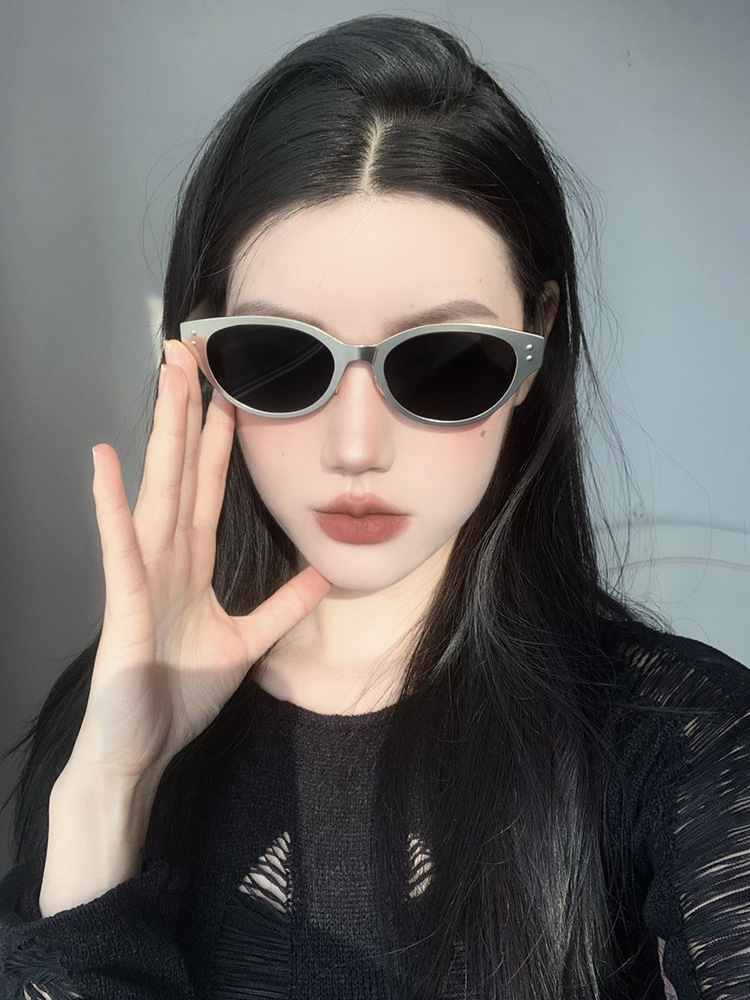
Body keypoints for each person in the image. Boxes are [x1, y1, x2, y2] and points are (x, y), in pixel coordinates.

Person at [0, 13, 748, 1000]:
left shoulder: (686, 743)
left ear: (535, 345)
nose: (357, 446)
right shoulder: (104, 712)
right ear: (201, 358)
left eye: (445, 362)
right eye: (280, 356)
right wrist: (108, 787)